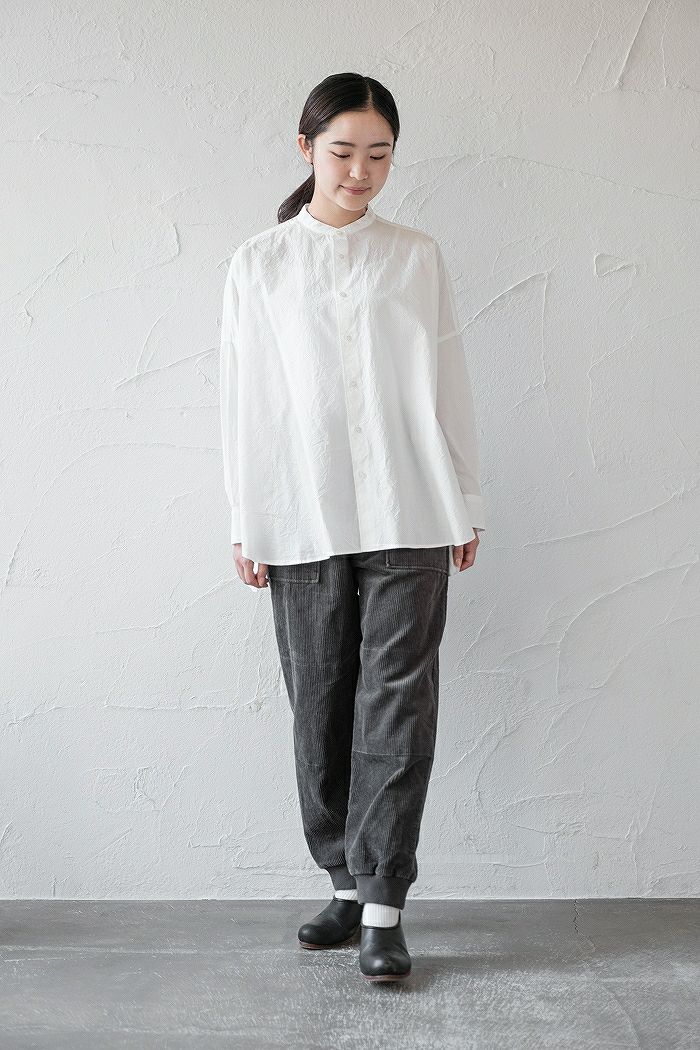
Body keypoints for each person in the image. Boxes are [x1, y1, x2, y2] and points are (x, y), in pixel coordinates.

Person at [219, 72, 485, 983]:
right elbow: (244, 400)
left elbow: (449, 382)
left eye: (379, 155)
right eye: (342, 152)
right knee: (320, 701)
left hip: (412, 506)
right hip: (300, 510)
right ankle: (343, 877)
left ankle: (382, 907)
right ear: (307, 149)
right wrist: (246, 518)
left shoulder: (416, 256)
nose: (360, 171)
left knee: (397, 703)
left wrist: (465, 498)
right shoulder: (259, 264)